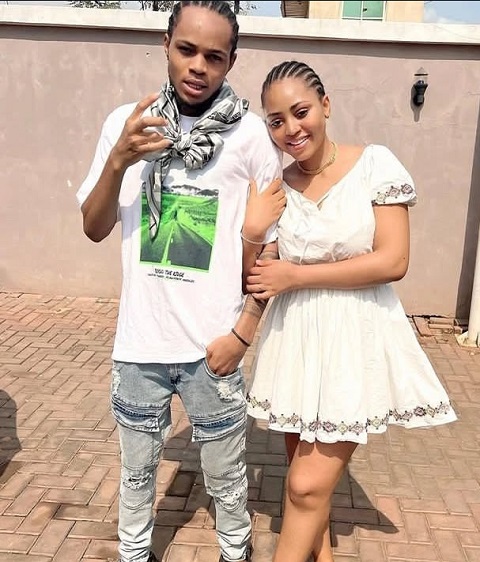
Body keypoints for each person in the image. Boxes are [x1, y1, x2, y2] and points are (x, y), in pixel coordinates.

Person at [75, 3, 286, 562]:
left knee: (228, 479)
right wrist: (119, 160)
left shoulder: (250, 137)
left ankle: (235, 553)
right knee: (136, 475)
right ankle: (134, 554)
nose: (198, 66)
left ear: (231, 62)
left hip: (212, 349)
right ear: (165, 43)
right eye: (187, 49)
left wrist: (242, 335)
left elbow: (269, 250)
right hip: (139, 345)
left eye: (214, 57)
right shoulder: (128, 124)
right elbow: (94, 227)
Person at [243, 60, 457, 562]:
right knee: (308, 490)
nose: (291, 129)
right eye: (276, 121)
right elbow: (258, 274)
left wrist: (296, 276)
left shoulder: (374, 165)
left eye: (301, 112)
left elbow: (393, 260)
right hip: (295, 340)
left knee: (305, 487)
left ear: (326, 106)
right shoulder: (276, 185)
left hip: (353, 339)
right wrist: (252, 233)